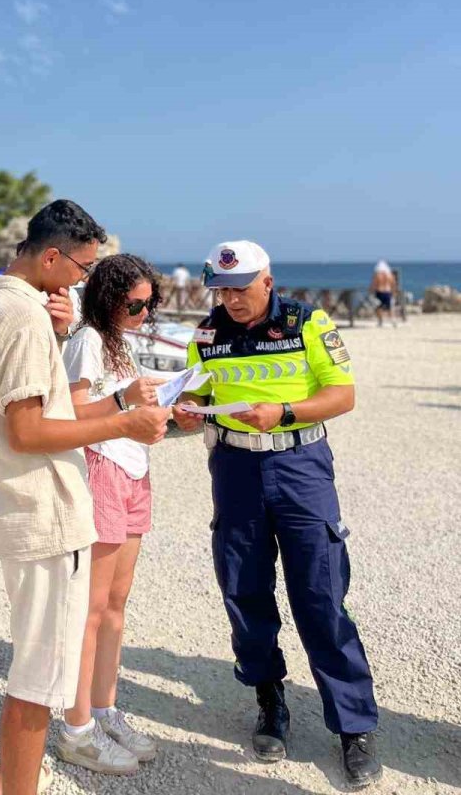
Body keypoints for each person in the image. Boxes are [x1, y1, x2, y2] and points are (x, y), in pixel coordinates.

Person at [0, 199, 168, 795]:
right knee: (37, 681)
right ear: (51, 257)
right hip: (44, 510)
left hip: (22, 506)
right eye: (81, 268)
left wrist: (64, 344)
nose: (83, 282)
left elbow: (34, 406)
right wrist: (122, 424)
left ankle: (7, 783)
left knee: (37, 661)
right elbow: (27, 431)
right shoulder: (22, 315)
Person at [172, 241, 381, 790]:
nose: (232, 300)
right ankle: (270, 701)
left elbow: (343, 395)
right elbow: (191, 395)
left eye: (241, 288)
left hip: (300, 464)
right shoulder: (206, 334)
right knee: (243, 589)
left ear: (268, 280)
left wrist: (282, 411)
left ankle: (354, 726)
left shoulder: (307, 322)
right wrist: (186, 415)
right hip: (235, 470)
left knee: (319, 594)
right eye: (221, 289)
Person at [59, 254, 166, 774]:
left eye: (150, 304)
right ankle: (77, 726)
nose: (144, 312)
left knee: (116, 603)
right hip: (102, 468)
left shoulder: (119, 343)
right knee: (92, 606)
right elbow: (72, 414)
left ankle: (105, 708)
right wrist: (126, 400)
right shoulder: (87, 342)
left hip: (132, 469)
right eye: (136, 304)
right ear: (109, 298)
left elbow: (119, 408)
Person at [370, 261, 397, 328]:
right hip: (388, 292)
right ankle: (393, 321)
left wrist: (371, 291)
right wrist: (394, 293)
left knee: (378, 307)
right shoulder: (390, 275)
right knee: (389, 308)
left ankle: (380, 321)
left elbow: (374, 284)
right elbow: (393, 284)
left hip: (380, 292)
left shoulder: (377, 275)